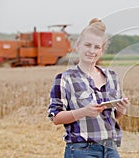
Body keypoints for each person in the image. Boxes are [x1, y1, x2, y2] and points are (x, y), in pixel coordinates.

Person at [48, 18, 128, 158]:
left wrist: (121, 111)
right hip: (82, 150)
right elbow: (56, 118)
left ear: (102, 50)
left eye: (97, 47)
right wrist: (83, 111)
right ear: (78, 45)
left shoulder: (112, 77)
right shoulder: (65, 78)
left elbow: (112, 117)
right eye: (87, 45)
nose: (92, 51)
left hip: (111, 149)